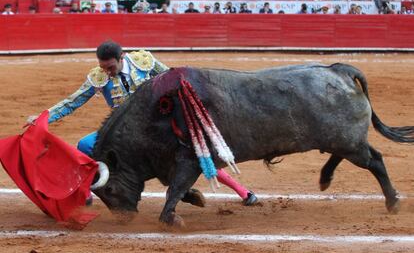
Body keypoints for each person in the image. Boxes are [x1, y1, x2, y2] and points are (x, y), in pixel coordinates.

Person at [27, 41, 258, 206]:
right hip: (122, 133)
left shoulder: (143, 62)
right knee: (85, 146)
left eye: (110, 67)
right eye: (103, 67)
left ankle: (242, 191)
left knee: (193, 154)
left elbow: (173, 78)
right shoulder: (98, 76)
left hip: (159, 127)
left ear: (122, 57)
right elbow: (74, 101)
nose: (106, 72)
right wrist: (43, 118)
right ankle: (86, 192)